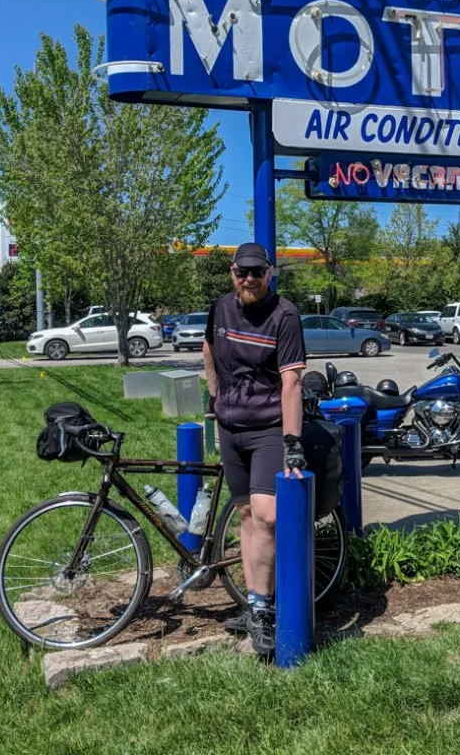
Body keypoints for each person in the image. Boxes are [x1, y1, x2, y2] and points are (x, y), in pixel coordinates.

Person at [203, 242, 307, 655]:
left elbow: (293, 382)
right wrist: (215, 399)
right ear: (232, 272)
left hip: (268, 429)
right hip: (231, 428)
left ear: (270, 273)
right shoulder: (221, 308)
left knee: (266, 516)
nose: (248, 279)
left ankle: (264, 612)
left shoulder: (285, 316)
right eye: (241, 272)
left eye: (256, 272)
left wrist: (292, 442)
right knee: (245, 514)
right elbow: (209, 349)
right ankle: (254, 602)